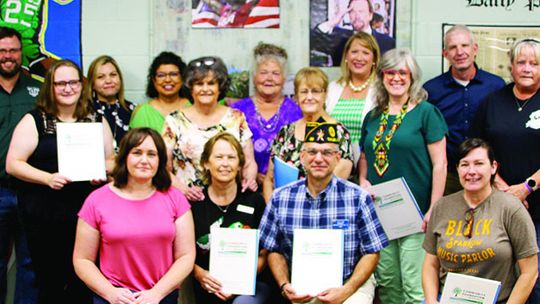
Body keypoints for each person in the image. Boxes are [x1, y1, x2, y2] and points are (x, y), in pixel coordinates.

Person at [5, 59, 114, 303]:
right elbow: (13, 164)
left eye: (73, 82)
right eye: (60, 83)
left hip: (86, 212)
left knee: (83, 278)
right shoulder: (35, 120)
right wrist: (47, 178)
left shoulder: (95, 119)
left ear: (82, 85)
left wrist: (101, 172)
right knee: (49, 280)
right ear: (50, 87)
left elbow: (112, 160)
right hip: (45, 212)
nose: (68, 88)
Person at [258, 122, 388, 304]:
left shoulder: (358, 197)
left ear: (338, 158)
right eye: (312, 152)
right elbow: (272, 248)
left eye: (327, 152)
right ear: (302, 157)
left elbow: (372, 252)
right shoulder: (281, 198)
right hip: (302, 288)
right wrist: (283, 284)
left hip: (351, 285)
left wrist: (345, 291)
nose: (318, 159)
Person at [359, 48, 447, 303]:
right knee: (387, 283)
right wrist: (363, 180)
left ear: (412, 76)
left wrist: (434, 208)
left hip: (416, 213)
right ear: (381, 76)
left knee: (413, 283)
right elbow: (365, 155)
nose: (396, 78)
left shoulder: (426, 113)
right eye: (390, 72)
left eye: (402, 72)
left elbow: (440, 164)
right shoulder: (373, 116)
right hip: (380, 212)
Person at [73, 128, 196, 304]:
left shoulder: (175, 199)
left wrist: (157, 294)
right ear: (124, 157)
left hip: (161, 296)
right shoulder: (97, 200)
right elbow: (82, 259)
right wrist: (110, 293)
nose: (144, 160)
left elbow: (186, 256)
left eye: (152, 154)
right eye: (137, 153)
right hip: (113, 297)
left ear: (160, 160)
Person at [423, 138, 538, 304]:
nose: (471, 171)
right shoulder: (442, 207)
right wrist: (431, 301)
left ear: (493, 167)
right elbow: (430, 265)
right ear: (457, 168)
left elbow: (530, 271)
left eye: (478, 163)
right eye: (464, 164)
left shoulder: (511, 208)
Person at [470, 38, 540, 304]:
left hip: (537, 208)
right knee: (497, 275)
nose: (527, 68)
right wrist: (501, 187)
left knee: (534, 278)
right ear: (510, 66)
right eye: (521, 62)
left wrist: (527, 187)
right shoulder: (492, 102)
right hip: (497, 205)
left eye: (534, 63)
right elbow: (476, 147)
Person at [162, 56, 257, 202]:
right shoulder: (174, 120)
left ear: (220, 87)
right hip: (184, 200)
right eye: (199, 84)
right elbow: (163, 166)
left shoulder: (236, 118)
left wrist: (249, 179)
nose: (205, 89)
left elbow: (249, 162)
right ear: (191, 88)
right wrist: (184, 190)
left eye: (211, 83)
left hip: (227, 199)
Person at [423, 25, 505, 194]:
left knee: (487, 220)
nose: (459, 52)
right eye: (453, 47)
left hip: (487, 175)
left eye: (465, 46)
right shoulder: (432, 90)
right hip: (448, 177)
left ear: (475, 49)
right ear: (445, 54)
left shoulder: (496, 85)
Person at [191, 132, 271, 303]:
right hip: (206, 285)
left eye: (231, 157)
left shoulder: (254, 200)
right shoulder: (194, 204)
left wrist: (239, 282)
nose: (225, 164)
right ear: (206, 163)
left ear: (240, 164)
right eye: (219, 157)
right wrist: (199, 274)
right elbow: (183, 253)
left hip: (249, 287)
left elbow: (265, 252)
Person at [262, 67, 354, 202]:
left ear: (325, 95)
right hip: (284, 212)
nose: (309, 97)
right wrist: (275, 211)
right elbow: (268, 181)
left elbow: (335, 184)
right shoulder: (286, 132)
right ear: (296, 97)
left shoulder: (338, 132)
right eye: (304, 92)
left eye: (315, 91)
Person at [0, 25, 39, 304]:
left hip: (31, 190)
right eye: (2, 51)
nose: (8, 56)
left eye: (13, 50)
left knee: (29, 263)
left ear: (21, 52)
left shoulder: (38, 89)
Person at [231, 42, 302, 185]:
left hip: (285, 187)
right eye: (263, 73)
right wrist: (252, 175)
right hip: (244, 186)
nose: (269, 78)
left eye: (275, 73)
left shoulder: (297, 112)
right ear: (254, 76)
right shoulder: (237, 110)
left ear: (284, 78)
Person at [326, 31, 380, 165]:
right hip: (334, 164)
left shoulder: (382, 90)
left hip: (368, 164)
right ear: (346, 57)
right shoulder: (332, 88)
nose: (359, 58)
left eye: (366, 53)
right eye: (354, 52)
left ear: (374, 59)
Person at [311, 0, 395, 66]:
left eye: (361, 11)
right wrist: (333, 22)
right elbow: (313, 41)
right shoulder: (339, 38)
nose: (357, 16)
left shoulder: (388, 43)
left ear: (370, 15)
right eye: (352, 12)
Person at [130, 51, 190, 133]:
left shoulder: (194, 107)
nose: (168, 80)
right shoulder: (142, 112)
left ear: (182, 78)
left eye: (173, 74)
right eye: (161, 75)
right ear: (154, 80)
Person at [85, 55, 136, 151]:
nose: (108, 81)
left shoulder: (134, 110)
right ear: (92, 84)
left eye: (113, 75)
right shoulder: (84, 110)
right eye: (100, 77)